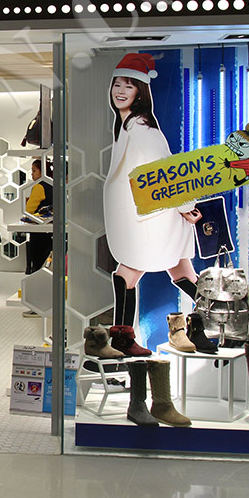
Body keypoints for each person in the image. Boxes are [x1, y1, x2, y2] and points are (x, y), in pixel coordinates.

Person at [103, 53, 201, 328]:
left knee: (127, 274)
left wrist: (186, 207)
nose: (120, 91)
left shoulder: (143, 129)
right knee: (182, 273)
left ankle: (123, 339)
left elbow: (166, 173)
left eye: (129, 86)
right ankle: (225, 319)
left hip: (153, 220)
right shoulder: (128, 126)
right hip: (151, 218)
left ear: (140, 93)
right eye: (117, 84)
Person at [25, 158, 53, 274]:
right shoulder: (53, 185)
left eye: (34, 170)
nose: (32, 174)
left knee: (38, 261)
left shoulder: (39, 187)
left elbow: (29, 210)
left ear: (42, 171)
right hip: (51, 229)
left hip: (38, 229)